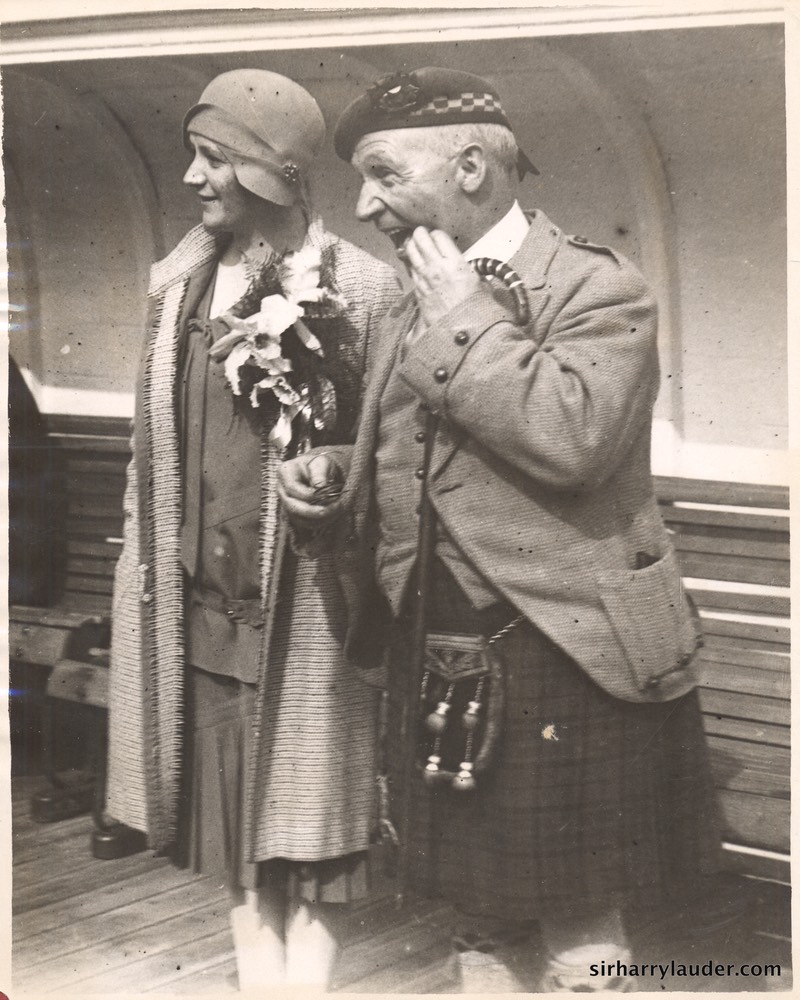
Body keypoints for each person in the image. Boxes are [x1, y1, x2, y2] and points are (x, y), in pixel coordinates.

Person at [279, 67, 722, 993]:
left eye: (383, 175)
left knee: (577, 916)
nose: (364, 204)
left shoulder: (601, 287)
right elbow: (409, 460)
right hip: (435, 646)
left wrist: (464, 318)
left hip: (568, 654)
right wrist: (332, 487)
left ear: (472, 167)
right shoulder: (411, 295)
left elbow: (573, 441)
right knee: (476, 917)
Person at [105, 69, 399, 991]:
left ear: (271, 173)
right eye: (194, 154)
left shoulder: (363, 288)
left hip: (306, 613)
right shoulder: (178, 282)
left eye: (214, 158)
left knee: (307, 833)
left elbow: (389, 451)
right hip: (193, 606)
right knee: (232, 830)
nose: (192, 178)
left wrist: (336, 476)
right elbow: (147, 450)